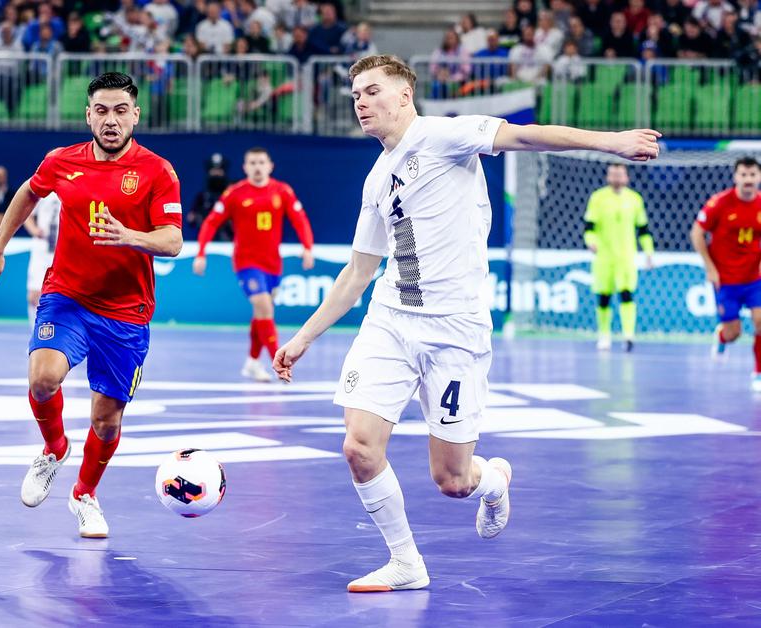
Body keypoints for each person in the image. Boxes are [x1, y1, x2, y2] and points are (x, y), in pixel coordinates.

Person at [273, 54, 660, 592]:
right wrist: (303, 338)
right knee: (358, 446)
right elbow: (358, 272)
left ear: (404, 95)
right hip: (390, 321)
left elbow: (526, 136)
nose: (361, 102)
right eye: (355, 94)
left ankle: (493, 478)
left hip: (455, 330)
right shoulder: (376, 179)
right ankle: (406, 563)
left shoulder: (444, 136)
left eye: (372, 91)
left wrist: (610, 142)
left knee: (452, 480)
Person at [0, 72, 183, 538]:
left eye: (121, 110)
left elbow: (172, 241)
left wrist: (129, 236)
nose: (111, 120)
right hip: (67, 296)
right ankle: (54, 447)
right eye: (101, 110)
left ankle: (84, 493)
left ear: (135, 116)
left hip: (126, 312)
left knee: (106, 422)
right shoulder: (61, 161)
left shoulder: (157, 171)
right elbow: (28, 192)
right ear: (88, 115)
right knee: (43, 378)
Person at [192, 148, 315, 382]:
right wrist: (200, 253)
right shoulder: (234, 193)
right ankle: (279, 363)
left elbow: (300, 220)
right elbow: (211, 223)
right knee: (264, 308)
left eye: (261, 162)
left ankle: (252, 362)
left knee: (261, 314)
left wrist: (307, 247)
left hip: (273, 265)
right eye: (252, 163)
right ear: (245, 167)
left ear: (270, 166)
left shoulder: (282, 191)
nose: (257, 167)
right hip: (246, 263)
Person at [691, 157, 761, 391]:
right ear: (735, 177)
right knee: (734, 333)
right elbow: (697, 233)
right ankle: (722, 338)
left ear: (759, 177)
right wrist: (710, 268)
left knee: (760, 321)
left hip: (754, 278)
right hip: (726, 280)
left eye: (752, 175)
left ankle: (759, 372)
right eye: (744, 175)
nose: (748, 179)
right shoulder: (720, 203)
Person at [583, 162, 654, 352]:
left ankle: (628, 336)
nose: (616, 178)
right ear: (608, 177)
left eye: (619, 174)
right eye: (613, 174)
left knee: (626, 294)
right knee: (604, 297)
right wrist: (590, 241)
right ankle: (604, 335)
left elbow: (643, 230)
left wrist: (648, 252)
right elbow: (589, 228)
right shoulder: (598, 198)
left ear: (626, 177)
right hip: (604, 257)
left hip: (626, 256)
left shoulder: (635, 199)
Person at [24, 192, 62, 329]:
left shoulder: (73, 189)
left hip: (63, 251)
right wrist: (34, 230)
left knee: (62, 298)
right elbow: (26, 212)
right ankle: (34, 333)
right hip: (42, 250)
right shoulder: (44, 189)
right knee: (34, 296)